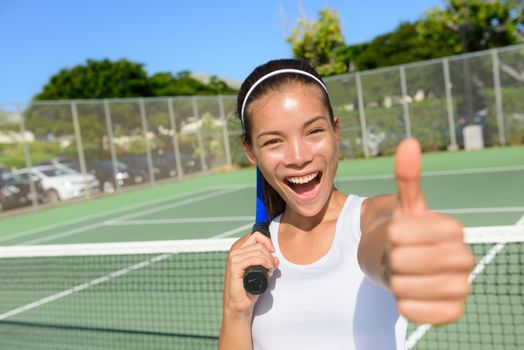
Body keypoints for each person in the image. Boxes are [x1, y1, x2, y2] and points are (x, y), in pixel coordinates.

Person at [218, 59, 474, 350]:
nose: (298, 156)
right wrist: (236, 312)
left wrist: (406, 260)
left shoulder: (370, 219)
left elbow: (384, 240)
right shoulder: (247, 258)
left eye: (313, 131)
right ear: (250, 151)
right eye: (274, 141)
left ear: (335, 131)